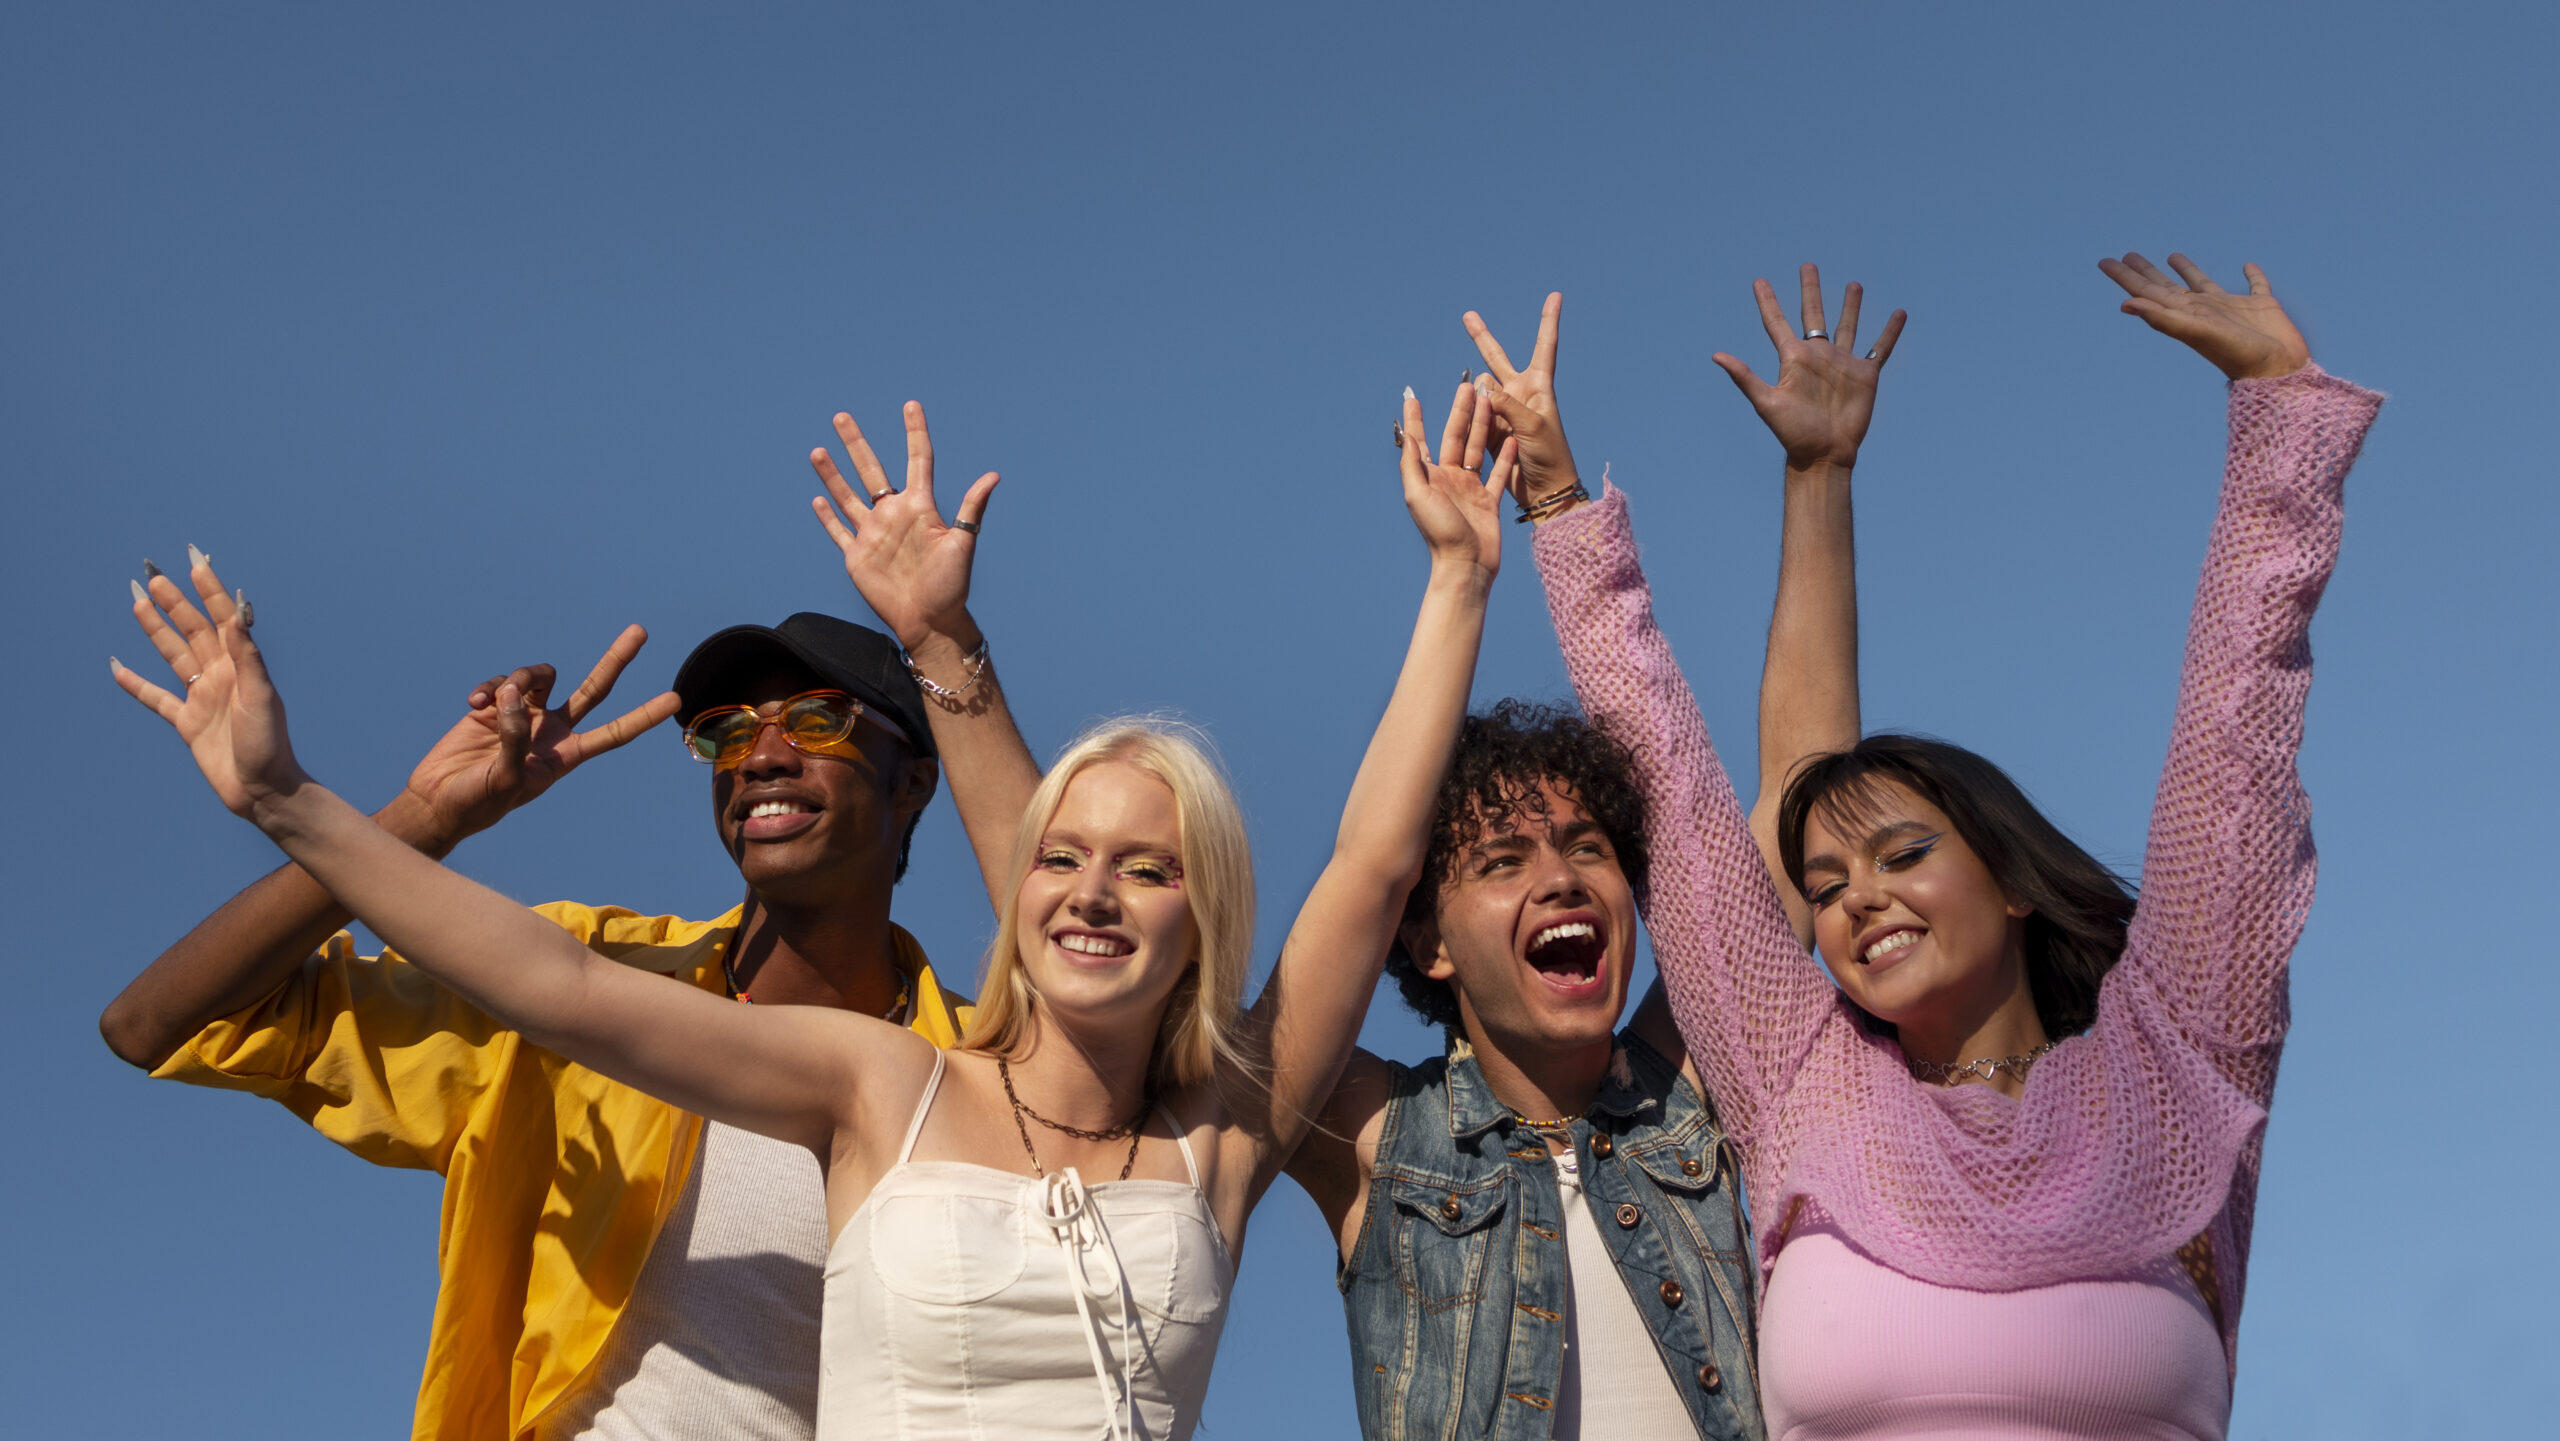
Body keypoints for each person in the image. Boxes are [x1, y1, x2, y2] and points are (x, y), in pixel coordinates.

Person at [112, 384, 1521, 1441]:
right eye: (1065, 861)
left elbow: (1368, 866)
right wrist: (306, 803)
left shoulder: (1200, 1132)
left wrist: (1460, 580)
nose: (1095, 888)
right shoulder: (881, 1088)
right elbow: (561, 989)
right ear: (1016, 886)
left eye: (1150, 868)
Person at [871, 285, 1895, 1441]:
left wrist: (1818, 480)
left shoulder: (1695, 1081)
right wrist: (942, 647)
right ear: (1426, 939)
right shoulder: (1370, 1132)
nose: (1560, 879)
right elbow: (1078, 911)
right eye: (1502, 860)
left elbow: (1810, 798)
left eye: (1589, 847)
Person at [1528, 253, 2382, 1439]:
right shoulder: (1800, 1080)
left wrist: (2281, 415)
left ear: (2012, 879)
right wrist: (1559, 512)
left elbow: (2230, 751)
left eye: (1899, 853)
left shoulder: (2180, 1058)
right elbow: (1667, 782)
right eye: (1823, 887)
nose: (1855, 900)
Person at [100, 585, 972, 1441]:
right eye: (728, 733)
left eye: (819, 720)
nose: (761, 757)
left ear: (915, 783)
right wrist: (422, 819)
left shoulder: (983, 1072)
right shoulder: (580, 982)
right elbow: (158, 1023)